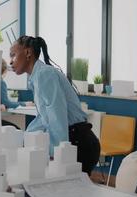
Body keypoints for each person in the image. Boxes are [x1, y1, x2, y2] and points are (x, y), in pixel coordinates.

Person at [9, 35, 100, 175]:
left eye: (13, 55)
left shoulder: (44, 75)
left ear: (27, 53)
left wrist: (55, 154)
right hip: (74, 140)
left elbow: (57, 119)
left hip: (78, 144)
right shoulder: (37, 76)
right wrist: (26, 140)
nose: (10, 62)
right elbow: (43, 119)